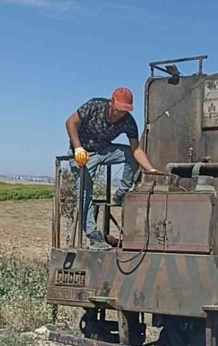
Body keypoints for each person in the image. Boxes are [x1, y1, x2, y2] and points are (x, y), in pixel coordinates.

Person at [65, 87, 158, 250]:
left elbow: (136, 150)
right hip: (82, 154)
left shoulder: (128, 122)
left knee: (129, 154)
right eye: (118, 110)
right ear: (111, 102)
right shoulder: (94, 106)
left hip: (103, 151)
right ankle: (93, 235)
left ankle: (121, 193)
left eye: (124, 111)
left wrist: (151, 170)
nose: (120, 114)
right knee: (85, 193)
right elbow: (70, 123)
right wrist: (78, 148)